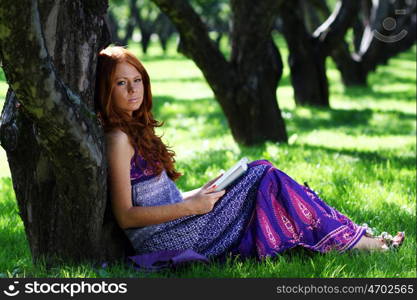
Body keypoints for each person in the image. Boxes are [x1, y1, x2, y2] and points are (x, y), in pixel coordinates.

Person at [95, 46, 405, 263]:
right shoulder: (118, 139)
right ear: (106, 90)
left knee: (260, 168)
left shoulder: (135, 129)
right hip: (167, 238)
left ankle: (351, 236)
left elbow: (160, 198)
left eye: (137, 81)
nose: (132, 90)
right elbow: (126, 216)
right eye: (121, 83)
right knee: (263, 174)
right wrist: (192, 207)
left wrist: (200, 193)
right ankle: (355, 241)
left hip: (180, 221)